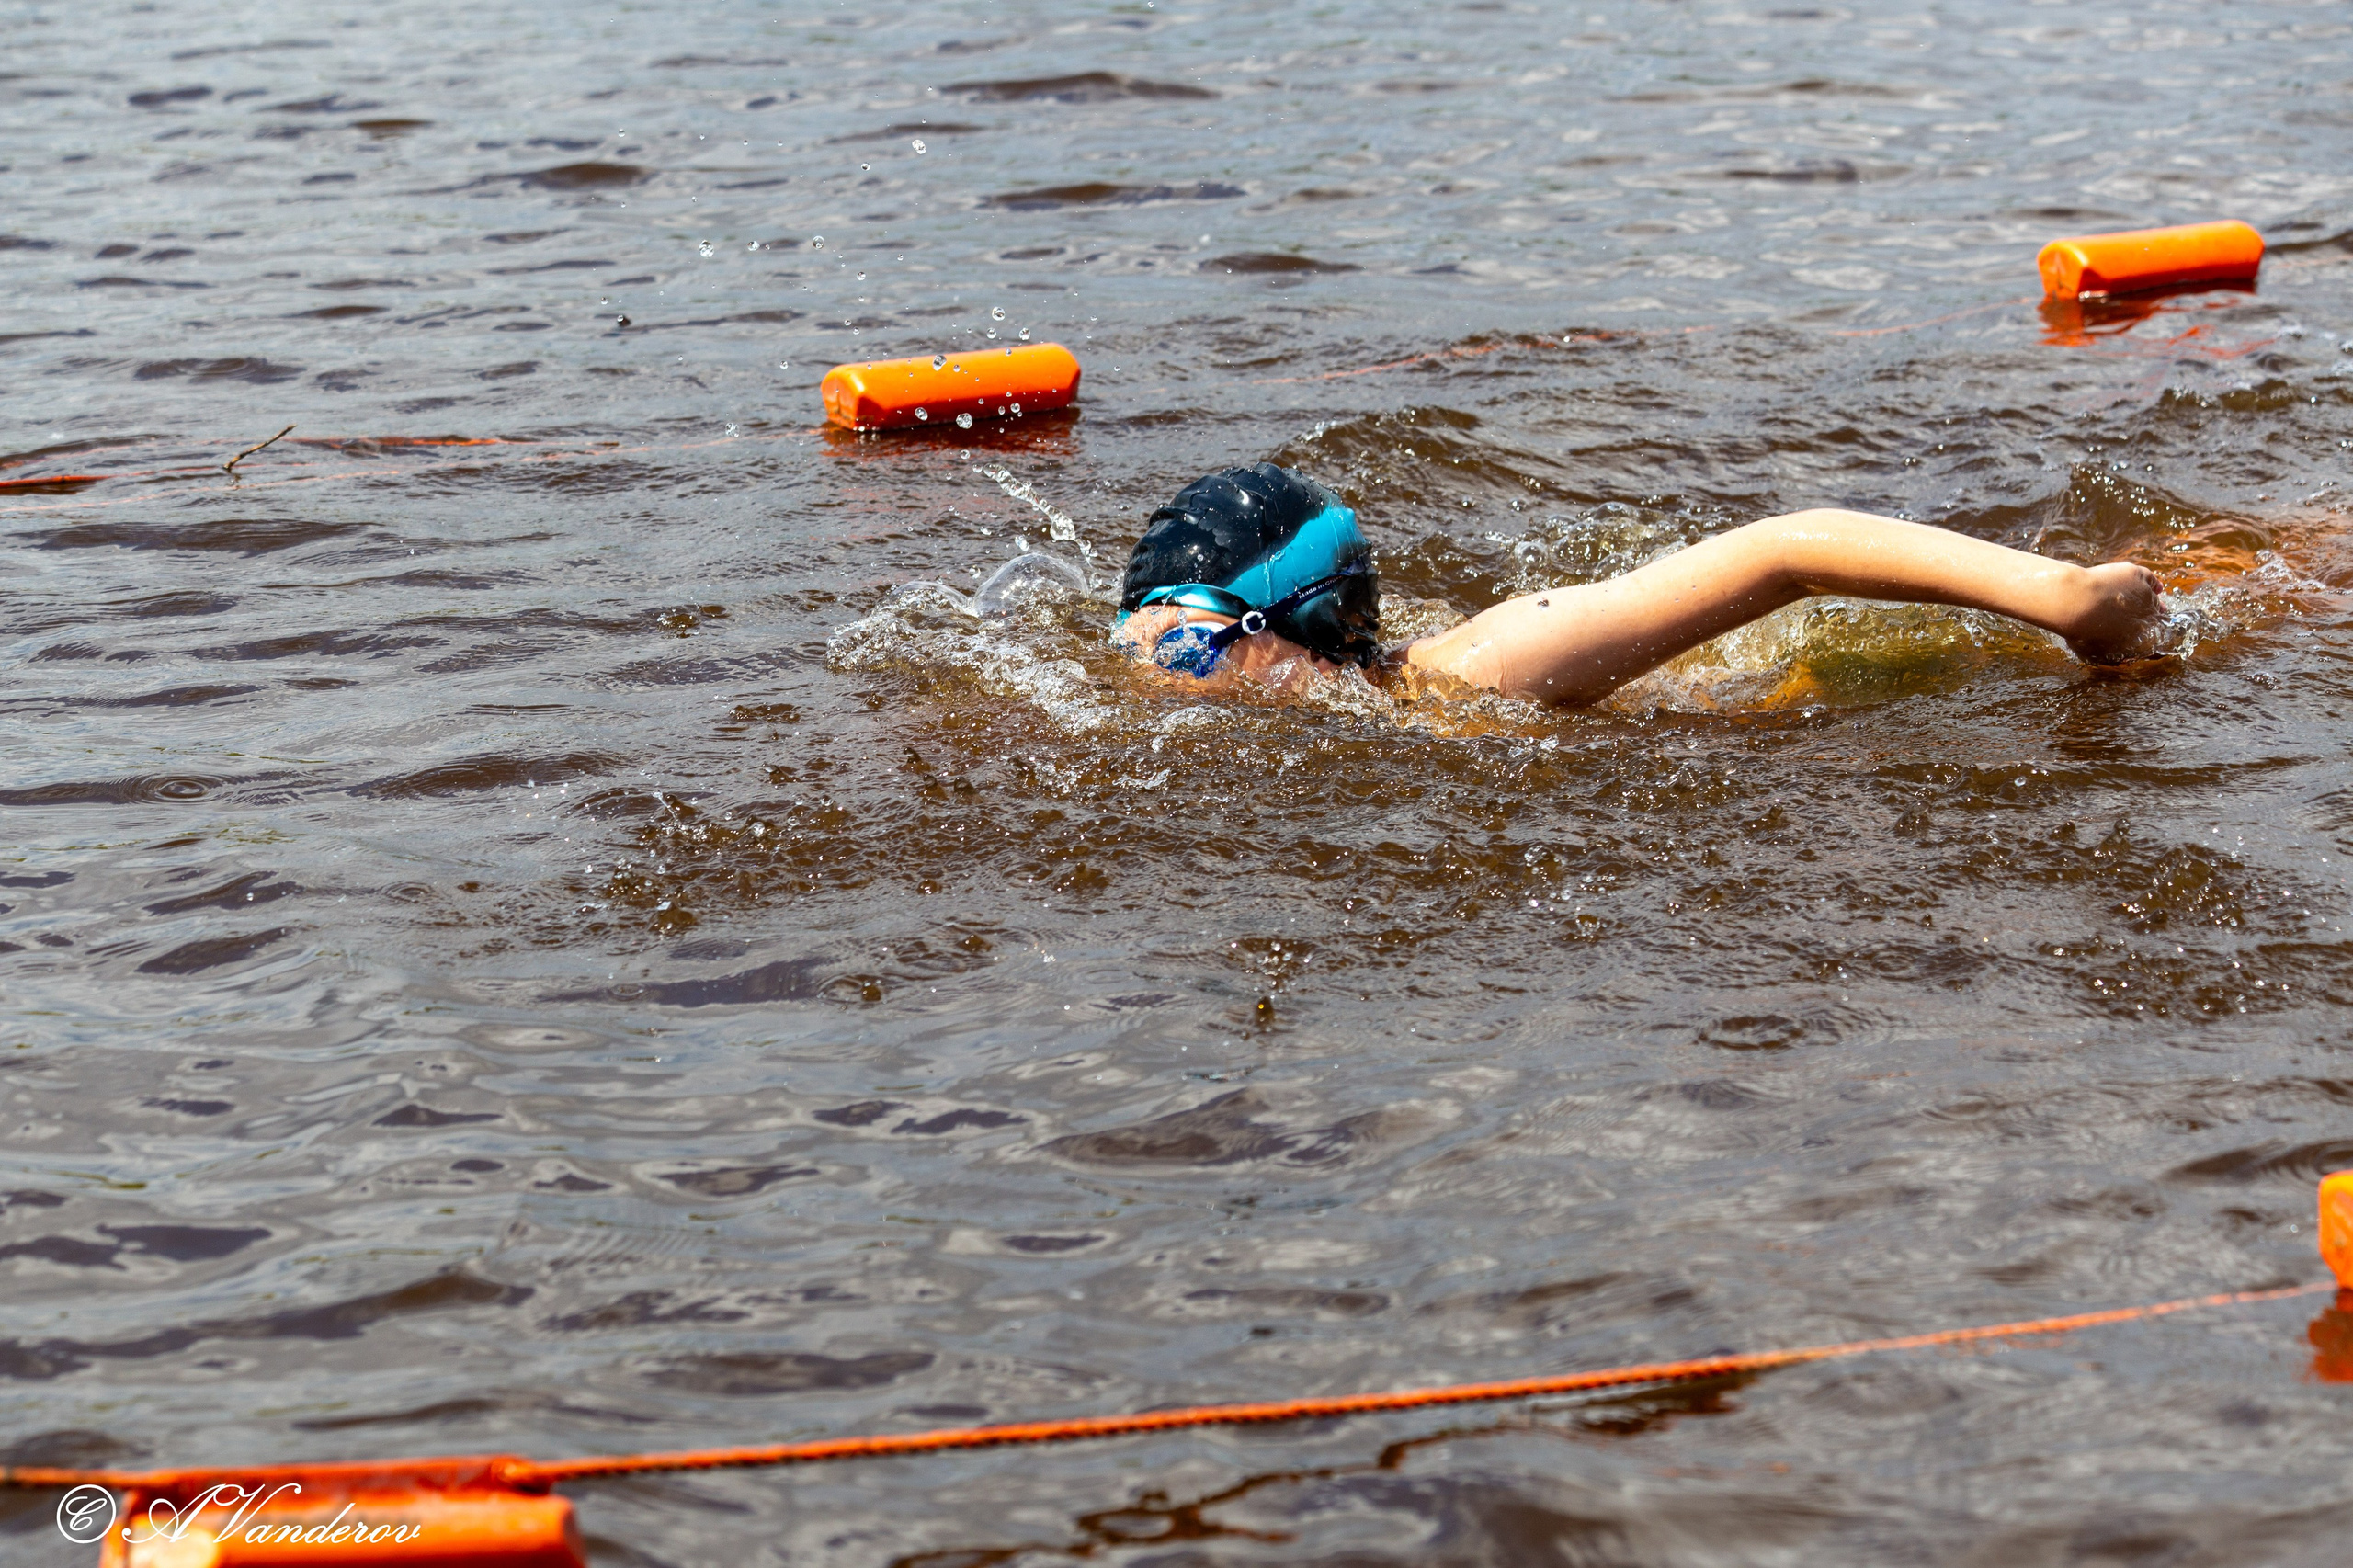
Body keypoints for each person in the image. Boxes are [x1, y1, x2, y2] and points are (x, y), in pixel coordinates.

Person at [1111, 464, 2175, 705]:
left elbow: (1785, 550)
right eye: (1138, 649)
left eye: (1186, 649)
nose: (1157, 680)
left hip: (1899, 669)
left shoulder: (1488, 667)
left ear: (1293, 626)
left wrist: (2064, 598)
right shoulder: (1351, 700)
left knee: (2273, 582)